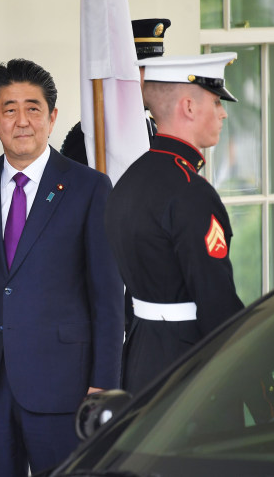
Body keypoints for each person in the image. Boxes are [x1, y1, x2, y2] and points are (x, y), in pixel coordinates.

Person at [0, 58, 124, 475]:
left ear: (52, 118)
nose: (22, 121)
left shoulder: (88, 187)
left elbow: (106, 295)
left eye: (33, 108)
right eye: (9, 109)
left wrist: (103, 383)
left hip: (64, 386)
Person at [105, 52, 245, 395]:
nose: (223, 112)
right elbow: (217, 304)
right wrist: (262, 395)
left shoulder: (129, 181)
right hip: (189, 368)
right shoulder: (191, 192)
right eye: (216, 101)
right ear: (189, 106)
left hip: (139, 360)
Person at [61, 18, 171, 164]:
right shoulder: (92, 132)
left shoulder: (153, 126)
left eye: (157, 69)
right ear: (125, 74)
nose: (157, 78)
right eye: (146, 68)